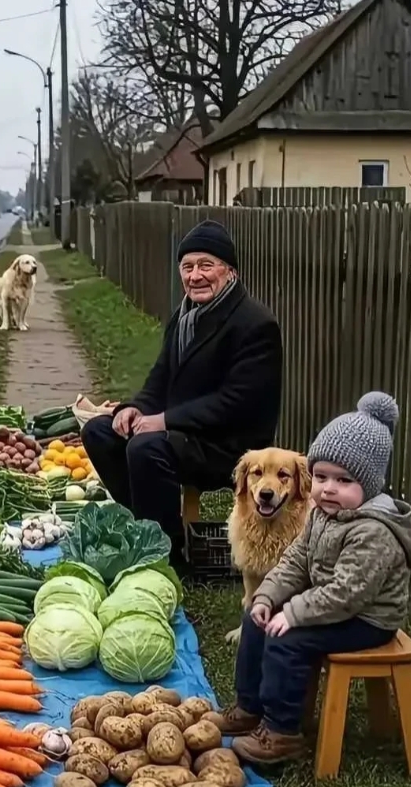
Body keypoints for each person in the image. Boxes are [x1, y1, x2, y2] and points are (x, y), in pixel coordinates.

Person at [226, 391, 411, 764]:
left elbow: (346, 594)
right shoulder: (323, 515)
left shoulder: (373, 532)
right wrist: (266, 597)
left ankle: (282, 732)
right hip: (335, 604)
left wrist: (293, 613)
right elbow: (296, 561)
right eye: (321, 477)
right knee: (256, 616)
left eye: (344, 479)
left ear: (370, 483)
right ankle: (248, 707)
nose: (329, 488)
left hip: (367, 618)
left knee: (288, 637)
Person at [80, 219, 283, 563]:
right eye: (187, 267)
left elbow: (236, 403)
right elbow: (160, 377)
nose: (195, 276)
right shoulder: (184, 316)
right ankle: (148, 530)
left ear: (230, 271)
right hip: (185, 433)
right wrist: (133, 408)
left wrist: (164, 420)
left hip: (229, 443)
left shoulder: (255, 324)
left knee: (146, 446)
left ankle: (165, 557)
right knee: (100, 430)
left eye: (206, 265)